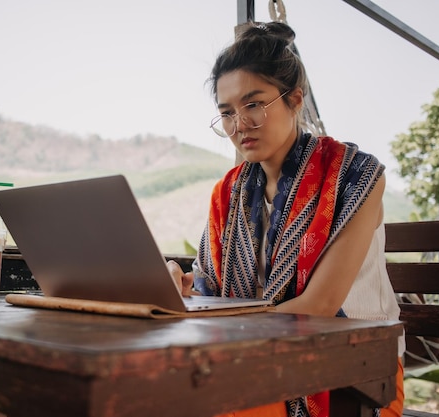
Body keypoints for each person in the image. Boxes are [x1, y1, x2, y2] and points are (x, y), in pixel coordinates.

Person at [166, 21, 405, 417]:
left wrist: (222, 320)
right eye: (226, 113)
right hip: (261, 358)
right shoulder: (230, 193)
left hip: (359, 373)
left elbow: (319, 306)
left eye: (253, 104)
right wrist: (180, 286)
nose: (239, 125)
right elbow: (212, 292)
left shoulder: (357, 177)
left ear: (295, 99)